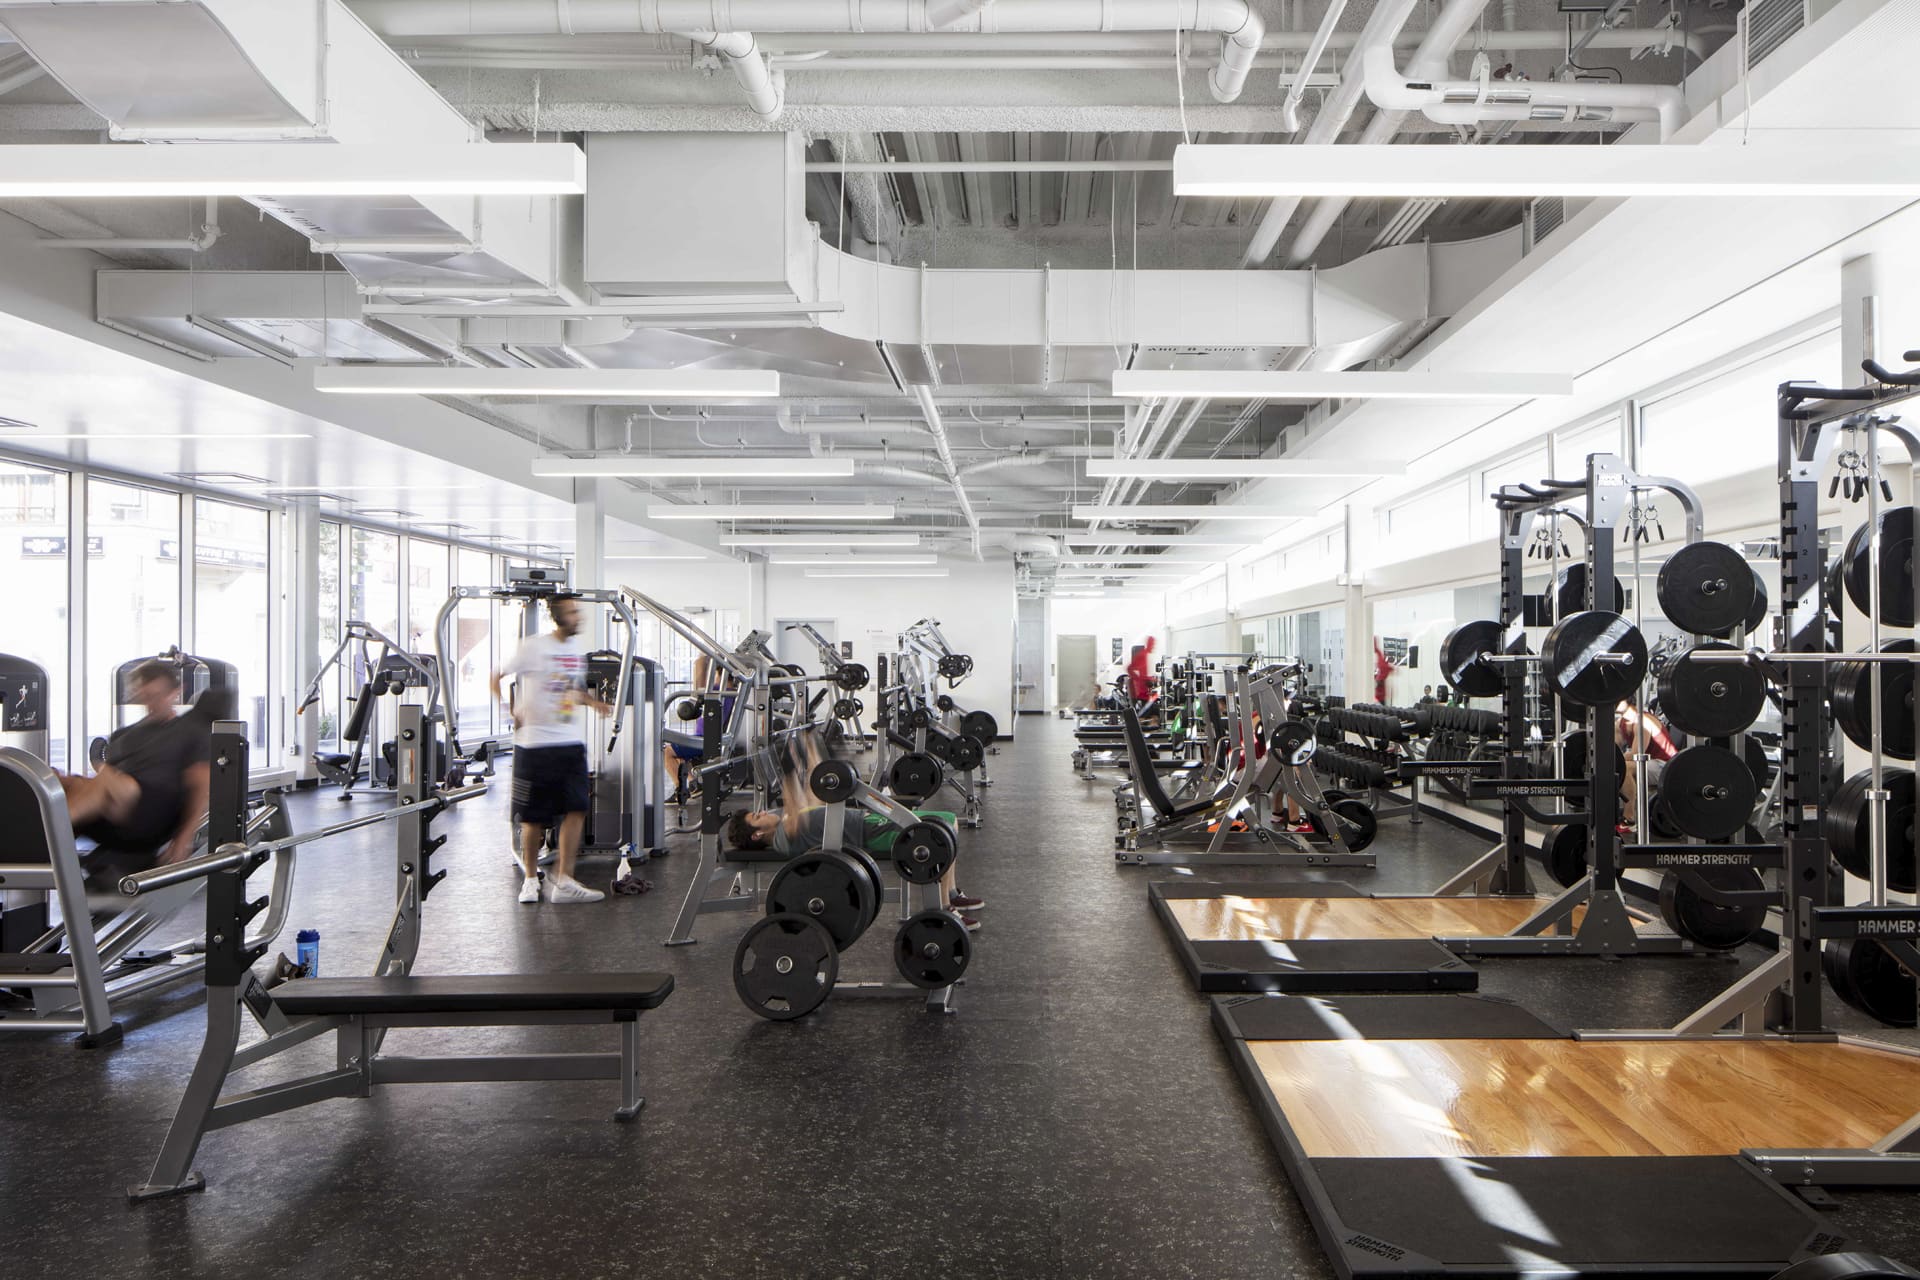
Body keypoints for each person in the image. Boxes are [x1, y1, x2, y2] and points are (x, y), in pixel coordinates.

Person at [723, 731, 983, 930]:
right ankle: (946, 909)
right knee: (937, 835)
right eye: (757, 817)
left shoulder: (789, 821)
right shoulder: (782, 837)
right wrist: (789, 763)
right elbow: (794, 797)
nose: (764, 812)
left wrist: (811, 745)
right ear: (757, 834)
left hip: (873, 821)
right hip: (871, 835)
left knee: (948, 820)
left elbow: (815, 792)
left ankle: (951, 893)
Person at [493, 596, 611, 905]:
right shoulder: (534, 647)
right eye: (573, 612)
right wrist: (508, 711)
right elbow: (496, 676)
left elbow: (572, 689)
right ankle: (531, 880)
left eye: (578, 611)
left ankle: (564, 880)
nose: (578, 617)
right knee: (533, 818)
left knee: (577, 808)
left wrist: (594, 703)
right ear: (559, 617)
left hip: (571, 742)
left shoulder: (575, 651)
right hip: (535, 743)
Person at [58, 660, 219, 875]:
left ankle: (45, 836)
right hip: (115, 811)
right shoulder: (123, 735)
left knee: (106, 778)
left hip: (152, 816)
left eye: (159, 695)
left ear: (177, 692)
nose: (153, 703)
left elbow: (200, 786)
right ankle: (39, 837)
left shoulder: (192, 731)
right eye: (146, 696)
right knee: (64, 782)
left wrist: (184, 837)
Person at [1614, 699, 1679, 832]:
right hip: (1648, 763)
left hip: (1666, 766)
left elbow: (1636, 754)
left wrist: (1613, 759)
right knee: (1615, 766)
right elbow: (1613, 749)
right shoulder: (1621, 723)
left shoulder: (1643, 722)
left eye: (1619, 699)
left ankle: (1629, 819)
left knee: (1625, 768)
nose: (1614, 702)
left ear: (1629, 701)